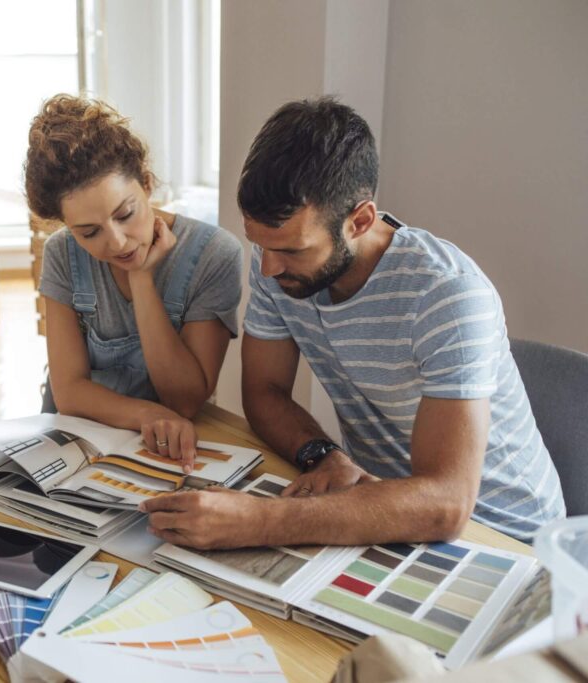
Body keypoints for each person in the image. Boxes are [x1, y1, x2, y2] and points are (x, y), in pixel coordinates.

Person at [141, 97, 564, 546]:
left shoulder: (447, 295)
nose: (268, 269)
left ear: (359, 220)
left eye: (293, 250)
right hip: (379, 509)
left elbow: (447, 503)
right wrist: (323, 456)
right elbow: (263, 392)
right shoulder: (278, 258)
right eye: (261, 245)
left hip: (509, 540)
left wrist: (261, 522)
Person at [26, 94, 243, 472]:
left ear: (145, 183)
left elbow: (185, 401)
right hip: (73, 442)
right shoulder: (62, 253)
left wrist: (141, 280)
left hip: (164, 450)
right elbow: (69, 392)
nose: (117, 242)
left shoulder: (214, 254)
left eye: (125, 214)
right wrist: (147, 414)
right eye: (89, 233)